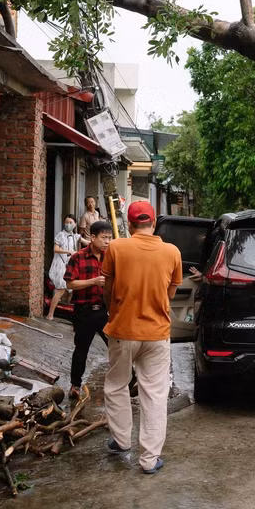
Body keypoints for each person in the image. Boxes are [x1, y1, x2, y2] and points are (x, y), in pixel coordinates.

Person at [101, 200, 181, 475]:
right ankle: (149, 459)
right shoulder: (172, 252)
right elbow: (170, 294)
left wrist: (114, 312)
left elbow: (108, 288)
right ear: (154, 223)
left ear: (131, 225)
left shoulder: (116, 247)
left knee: (116, 385)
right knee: (155, 395)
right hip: (157, 334)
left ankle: (122, 440)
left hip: (123, 330)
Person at [63, 220, 114, 395]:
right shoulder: (77, 257)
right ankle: (75, 385)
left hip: (105, 311)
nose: (107, 242)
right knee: (81, 349)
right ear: (92, 237)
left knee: (116, 347)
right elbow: (70, 284)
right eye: (103, 238)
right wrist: (93, 281)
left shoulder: (111, 257)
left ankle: (129, 380)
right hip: (83, 311)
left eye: (109, 238)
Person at [46, 216, 78, 320]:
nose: (68, 224)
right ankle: (50, 314)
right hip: (60, 265)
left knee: (71, 289)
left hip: (68, 265)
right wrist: (68, 252)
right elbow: (56, 249)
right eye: (66, 222)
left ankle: (68, 313)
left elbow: (85, 241)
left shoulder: (74, 236)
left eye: (70, 222)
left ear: (75, 224)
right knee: (61, 289)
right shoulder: (61, 235)